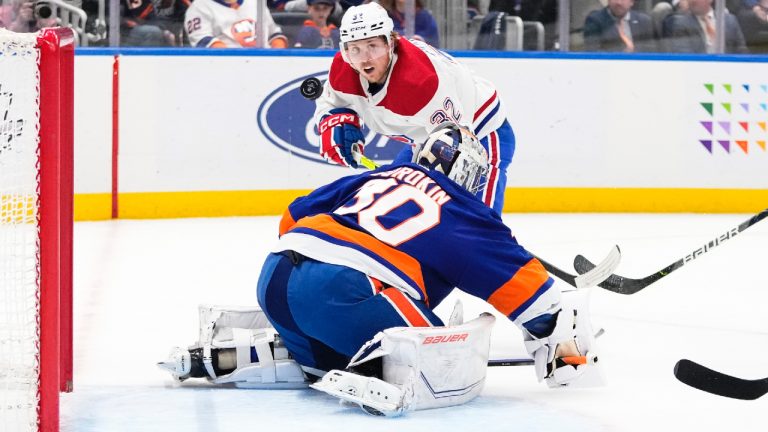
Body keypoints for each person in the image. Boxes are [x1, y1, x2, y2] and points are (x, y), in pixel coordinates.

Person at [157, 124, 603, 415]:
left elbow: (291, 219)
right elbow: (525, 289)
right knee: (444, 351)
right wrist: (562, 345)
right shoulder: (462, 208)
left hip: (274, 279)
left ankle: (264, 354)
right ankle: (379, 369)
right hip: (348, 289)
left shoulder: (373, 178)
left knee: (323, 361)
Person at [314, 2, 515, 213]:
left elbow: (461, 147)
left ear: (391, 42)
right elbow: (330, 101)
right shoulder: (344, 69)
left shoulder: (422, 84)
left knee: (476, 221)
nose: (365, 59)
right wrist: (331, 119)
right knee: (397, 210)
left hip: (482, 132)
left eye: (372, 46)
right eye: (355, 49)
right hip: (427, 139)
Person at [185, 0, 288, 48]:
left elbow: (275, 35)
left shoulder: (256, 2)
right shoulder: (198, 7)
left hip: (266, 63)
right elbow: (205, 43)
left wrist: (276, 55)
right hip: (225, 68)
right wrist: (241, 60)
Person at [663, 0, 748, 52]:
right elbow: (684, 55)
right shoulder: (681, 24)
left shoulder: (730, 21)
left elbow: (742, 52)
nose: (692, 1)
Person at [583, 0, 657, 52]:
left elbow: (651, 50)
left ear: (632, 2)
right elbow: (593, 52)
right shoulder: (594, 20)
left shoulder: (644, 21)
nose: (619, 2)